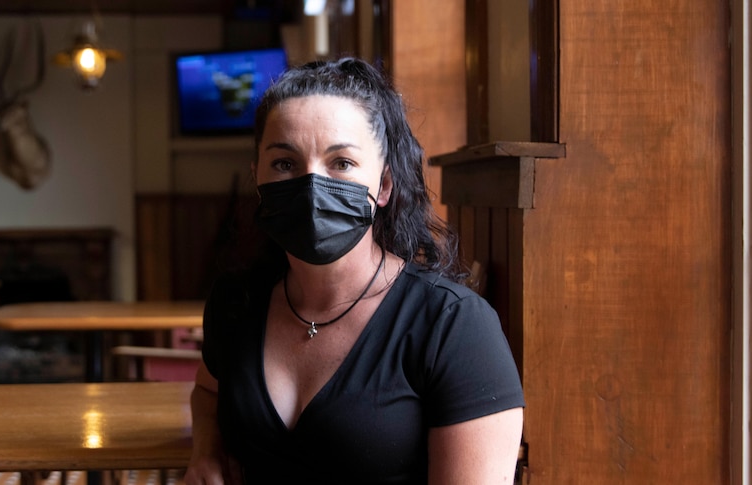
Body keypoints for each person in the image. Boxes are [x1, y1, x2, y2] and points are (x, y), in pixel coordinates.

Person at [186, 58, 524, 485]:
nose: (311, 185)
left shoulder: (455, 326)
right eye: (284, 164)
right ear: (257, 180)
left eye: (341, 163)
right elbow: (207, 390)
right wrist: (206, 449)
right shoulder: (236, 302)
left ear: (383, 186)